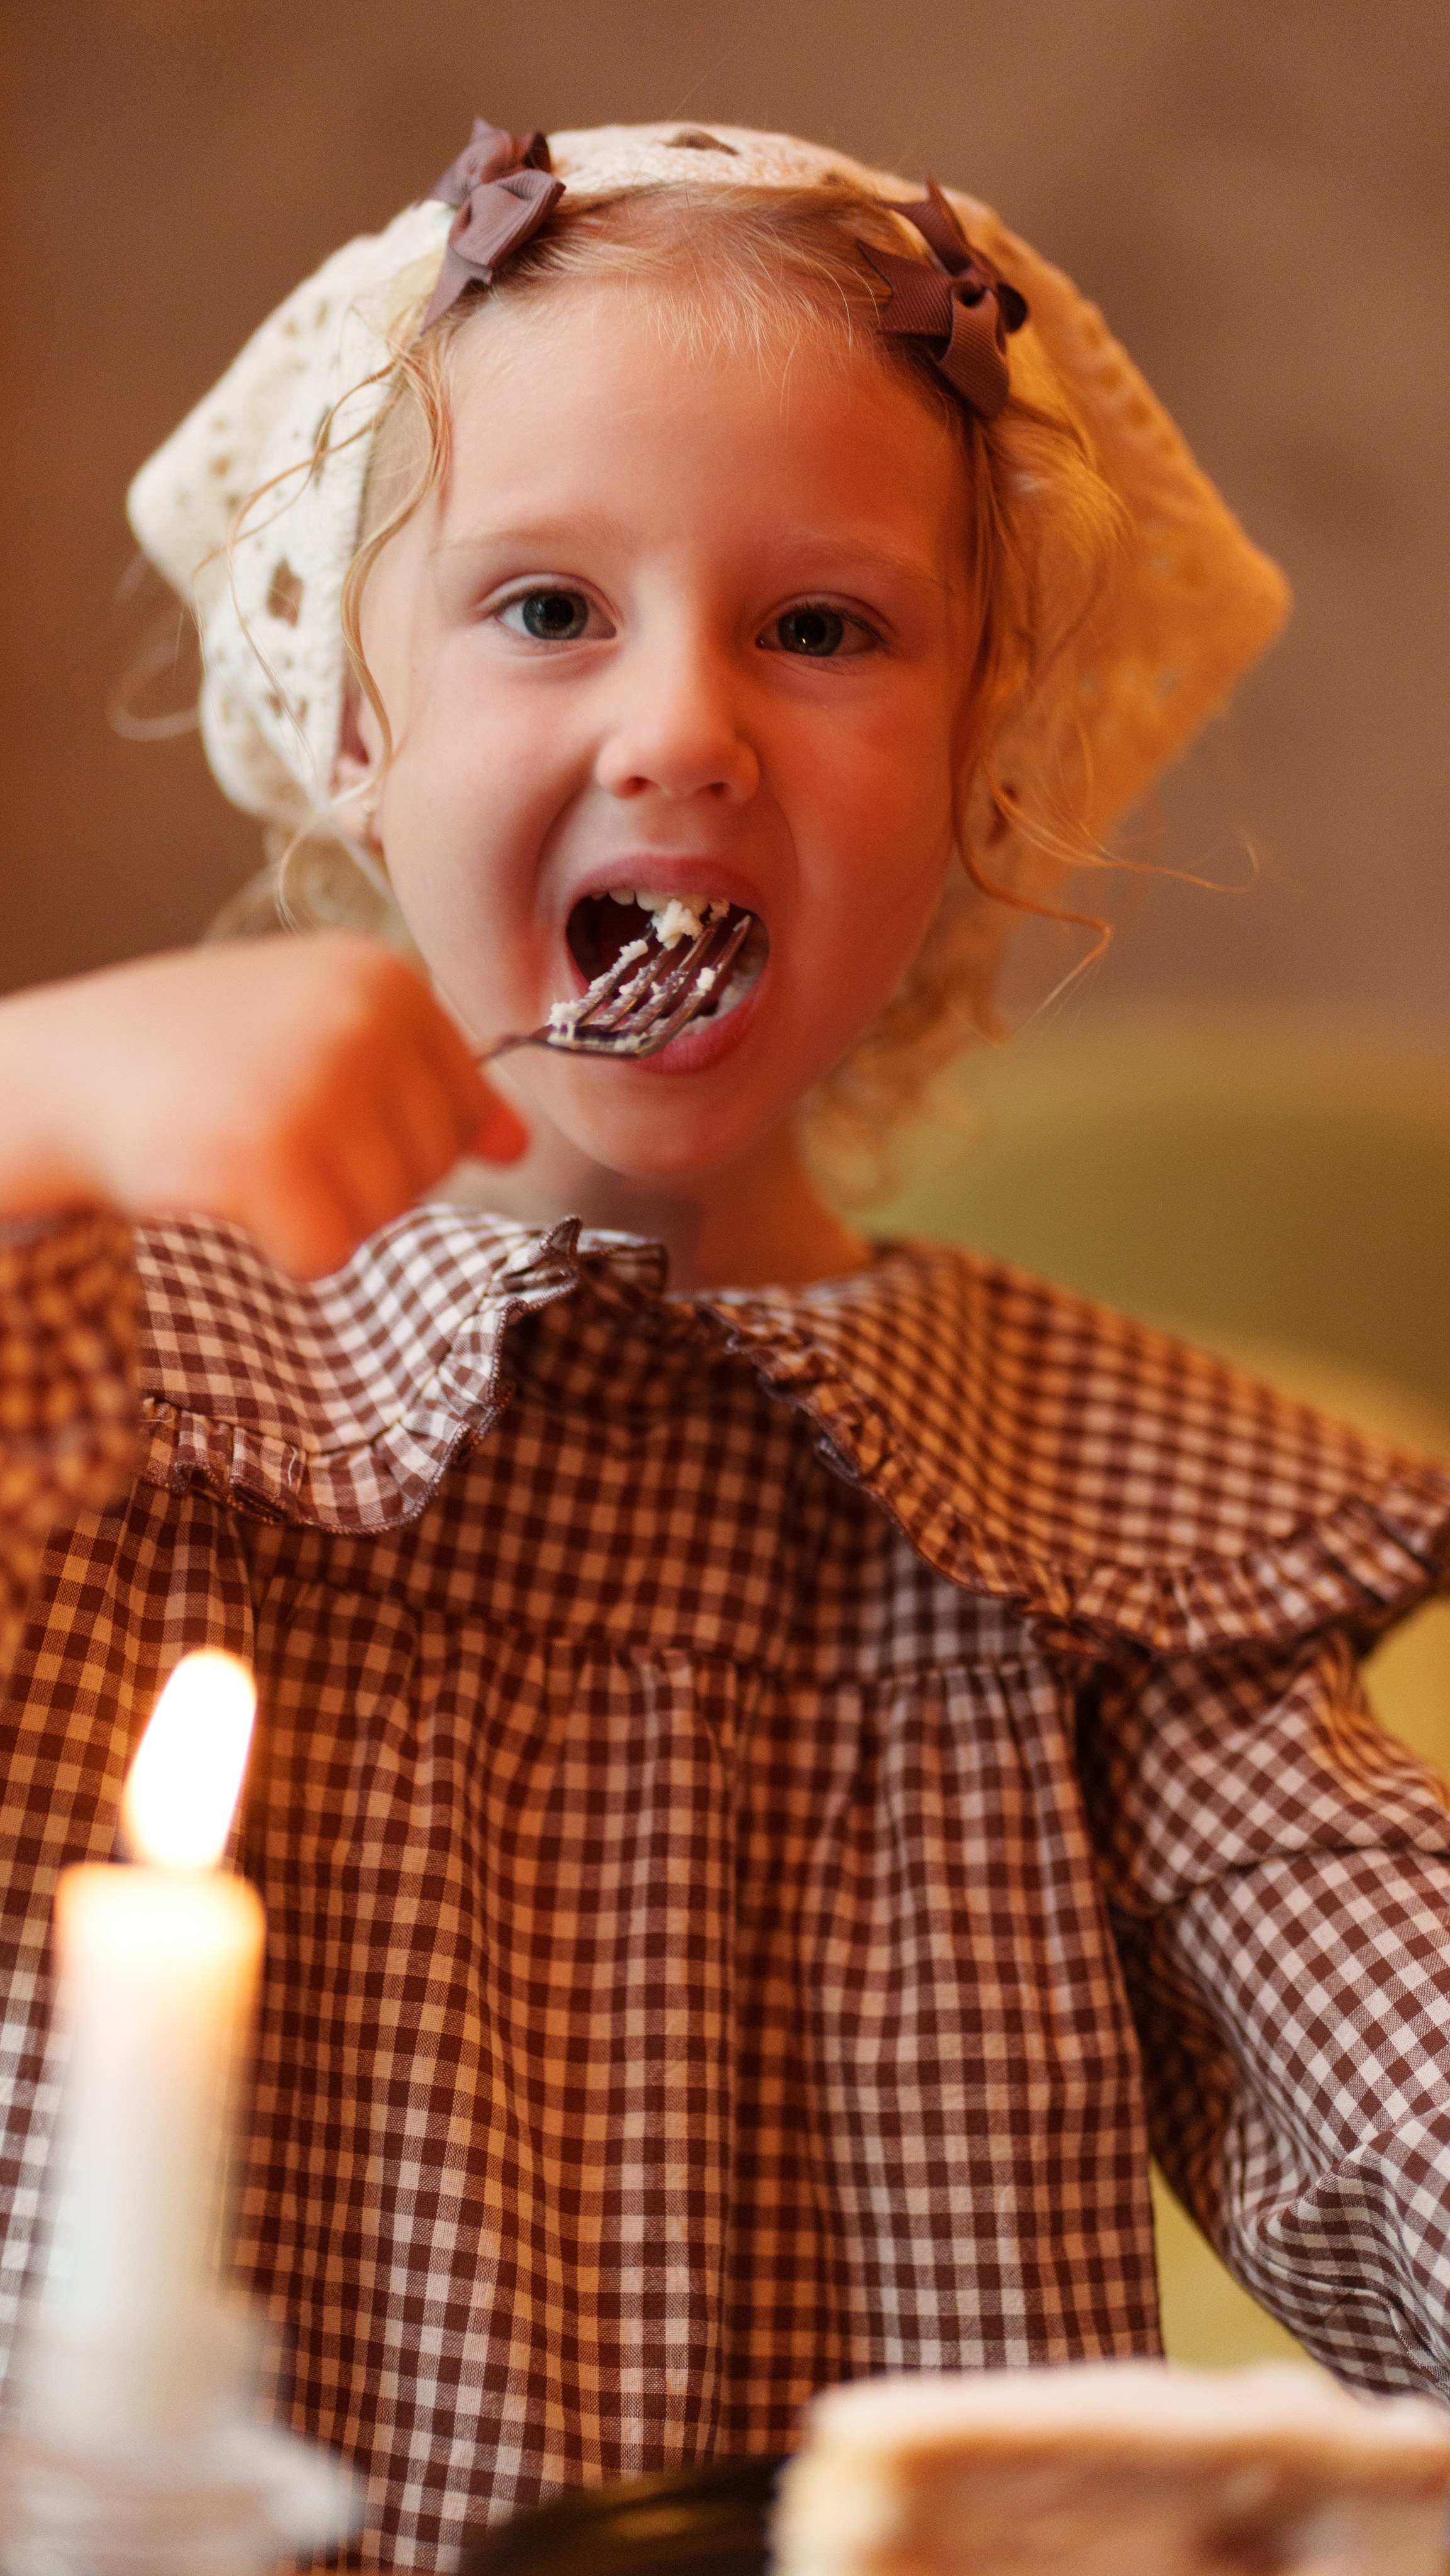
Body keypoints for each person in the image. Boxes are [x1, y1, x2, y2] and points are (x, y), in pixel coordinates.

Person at [2, 114, 1449, 2575]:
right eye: (547, 609)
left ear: (980, 770)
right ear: (350, 723)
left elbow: (1398, 2079)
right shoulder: (93, 1379)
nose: (682, 723)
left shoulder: (1099, 1538)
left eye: (822, 628)